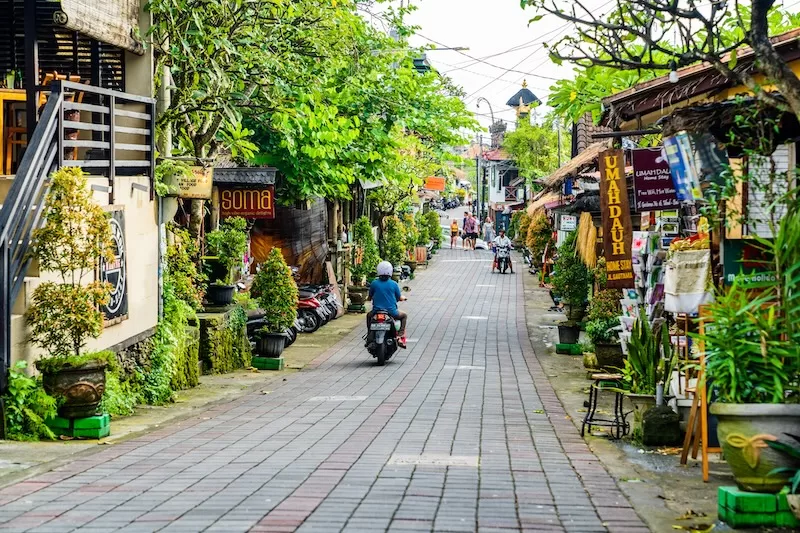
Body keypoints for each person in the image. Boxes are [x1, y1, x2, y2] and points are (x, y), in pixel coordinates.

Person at [367, 261, 408, 348]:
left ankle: (369, 335)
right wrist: (403, 298)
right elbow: (399, 297)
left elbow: (369, 297)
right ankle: (400, 336)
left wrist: (368, 299)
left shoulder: (374, 283)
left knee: (368, 316)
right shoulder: (394, 284)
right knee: (404, 316)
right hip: (391, 312)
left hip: (376, 311)